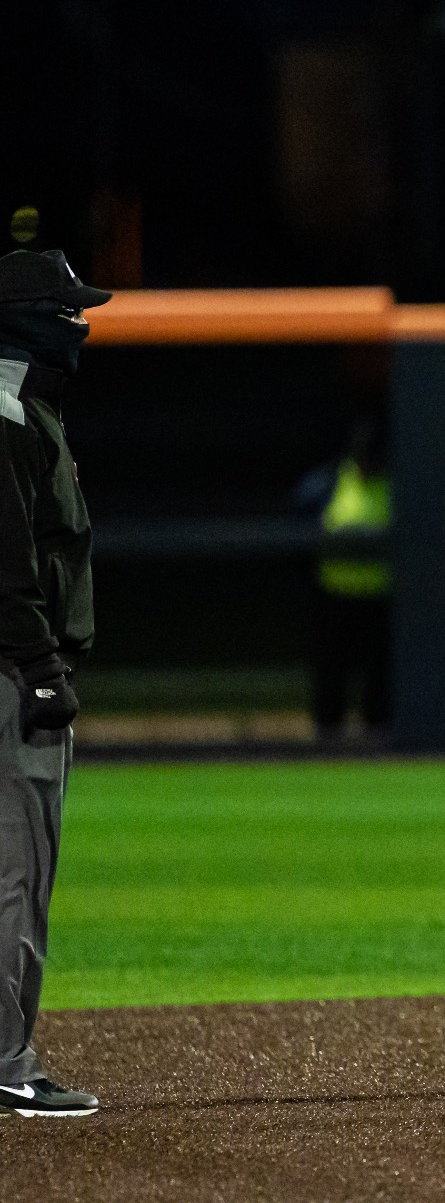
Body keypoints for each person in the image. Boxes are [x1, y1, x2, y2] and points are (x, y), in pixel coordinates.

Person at [0, 249, 102, 1117]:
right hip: (8, 675)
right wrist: (37, 670)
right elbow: (6, 569)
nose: (80, 325)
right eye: (64, 311)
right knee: (17, 870)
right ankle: (6, 1059)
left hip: (14, 665)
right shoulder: (5, 414)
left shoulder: (26, 408)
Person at [293, 417, 392, 744]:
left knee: (378, 676)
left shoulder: (395, 487)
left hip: (379, 598)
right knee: (331, 673)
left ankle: (378, 740)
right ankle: (327, 740)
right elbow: (297, 519)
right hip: (334, 597)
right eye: (361, 457)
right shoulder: (328, 483)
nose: (366, 464)